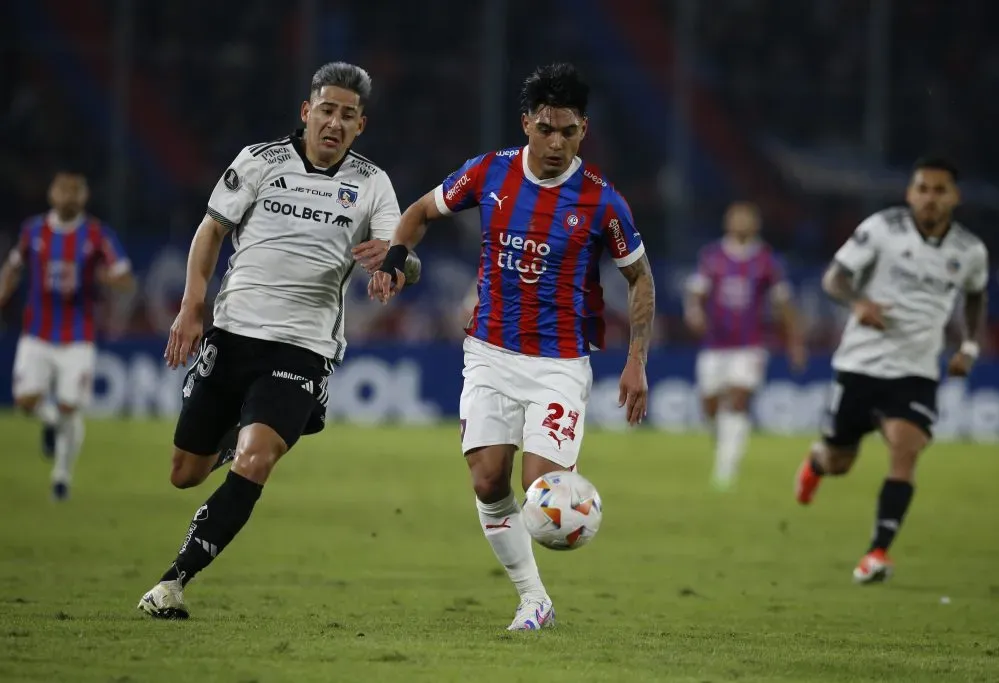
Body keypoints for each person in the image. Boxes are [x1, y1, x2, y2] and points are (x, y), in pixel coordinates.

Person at [369, 63, 656, 630]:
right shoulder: (489, 173)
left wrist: (636, 362)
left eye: (568, 131)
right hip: (489, 353)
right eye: (545, 128)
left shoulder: (602, 202)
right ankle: (534, 601)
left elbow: (640, 278)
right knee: (487, 479)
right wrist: (397, 258)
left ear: (584, 131)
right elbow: (421, 212)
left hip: (559, 364)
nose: (555, 142)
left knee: (542, 494)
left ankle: (540, 585)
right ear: (526, 123)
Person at [137, 61, 420, 619]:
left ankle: (173, 581)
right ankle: (242, 432)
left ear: (361, 125)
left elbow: (405, 257)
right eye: (327, 110)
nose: (334, 123)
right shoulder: (260, 161)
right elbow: (210, 230)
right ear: (306, 112)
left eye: (348, 115)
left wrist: (394, 265)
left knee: (257, 457)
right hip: (233, 333)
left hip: (302, 347)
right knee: (184, 473)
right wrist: (192, 304)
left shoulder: (372, 183)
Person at [795, 157, 988, 584]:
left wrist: (969, 345)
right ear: (910, 192)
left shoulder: (970, 251)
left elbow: (975, 295)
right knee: (840, 460)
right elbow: (835, 279)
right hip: (860, 364)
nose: (930, 198)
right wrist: (859, 303)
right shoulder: (882, 229)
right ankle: (816, 462)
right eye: (923, 188)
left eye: (940, 190)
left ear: (954, 197)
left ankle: (876, 553)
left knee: (906, 450)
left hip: (916, 371)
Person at [0, 169, 134, 500]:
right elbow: (13, 267)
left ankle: (61, 477)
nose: (69, 196)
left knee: (70, 407)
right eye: (63, 190)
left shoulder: (96, 235)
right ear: (52, 194)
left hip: (78, 335)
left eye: (76, 191)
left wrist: (106, 278)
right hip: (36, 332)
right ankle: (49, 423)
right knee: (26, 402)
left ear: (84, 197)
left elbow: (126, 279)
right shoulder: (33, 231)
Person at [684, 201, 806, 490]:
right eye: (736, 217)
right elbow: (695, 295)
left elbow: (783, 304)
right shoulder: (712, 257)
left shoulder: (766, 261)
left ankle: (725, 471)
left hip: (750, 345)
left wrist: (795, 342)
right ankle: (724, 442)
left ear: (756, 224)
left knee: (738, 400)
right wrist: (696, 316)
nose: (740, 222)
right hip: (714, 345)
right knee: (710, 405)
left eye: (746, 218)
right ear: (727, 222)